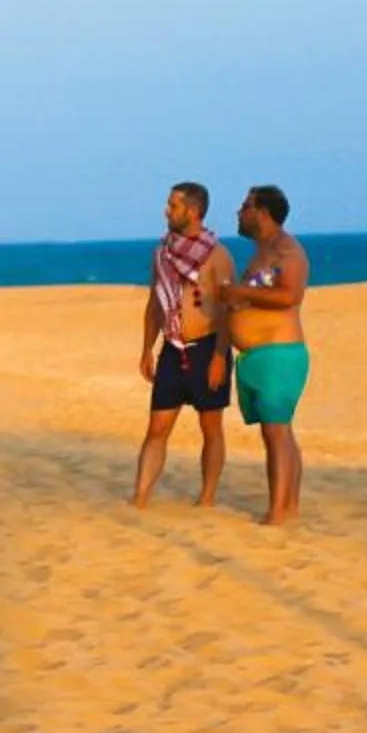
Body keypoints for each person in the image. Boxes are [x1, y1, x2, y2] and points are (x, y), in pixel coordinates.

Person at [203, 184, 309, 526]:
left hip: (278, 353)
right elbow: (260, 294)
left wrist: (239, 292)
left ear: (262, 213)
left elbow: (290, 295)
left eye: (245, 206)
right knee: (279, 431)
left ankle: (277, 511)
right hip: (257, 357)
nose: (239, 212)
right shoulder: (262, 252)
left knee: (276, 431)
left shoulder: (287, 251)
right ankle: (288, 506)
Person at [133, 181, 230, 507]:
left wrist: (219, 358)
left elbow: (228, 310)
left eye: (173, 206)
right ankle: (140, 497)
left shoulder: (217, 255)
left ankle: (207, 498)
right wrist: (147, 349)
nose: (166, 211)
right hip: (172, 350)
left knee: (211, 427)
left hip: (207, 348)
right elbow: (154, 302)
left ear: (193, 211)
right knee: (157, 427)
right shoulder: (161, 252)